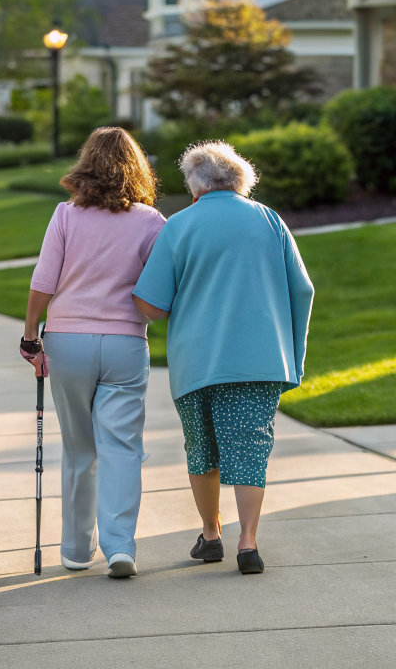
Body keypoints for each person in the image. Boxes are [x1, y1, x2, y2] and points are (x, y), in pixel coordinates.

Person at [132, 140, 315, 576]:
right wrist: (293, 354)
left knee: (203, 451)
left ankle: (210, 536)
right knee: (251, 450)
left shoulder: (179, 226)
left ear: (195, 186)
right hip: (261, 358)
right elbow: (303, 290)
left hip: (198, 360)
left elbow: (153, 306)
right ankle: (248, 543)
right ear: (240, 181)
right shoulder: (269, 220)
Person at [19, 126, 165, 579]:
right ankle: (120, 547)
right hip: (125, 343)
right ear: (137, 170)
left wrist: (30, 336)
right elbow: (158, 293)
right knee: (122, 448)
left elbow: (43, 281)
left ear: (87, 164)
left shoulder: (66, 215)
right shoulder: (152, 223)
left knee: (81, 448)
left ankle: (77, 550)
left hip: (68, 343)